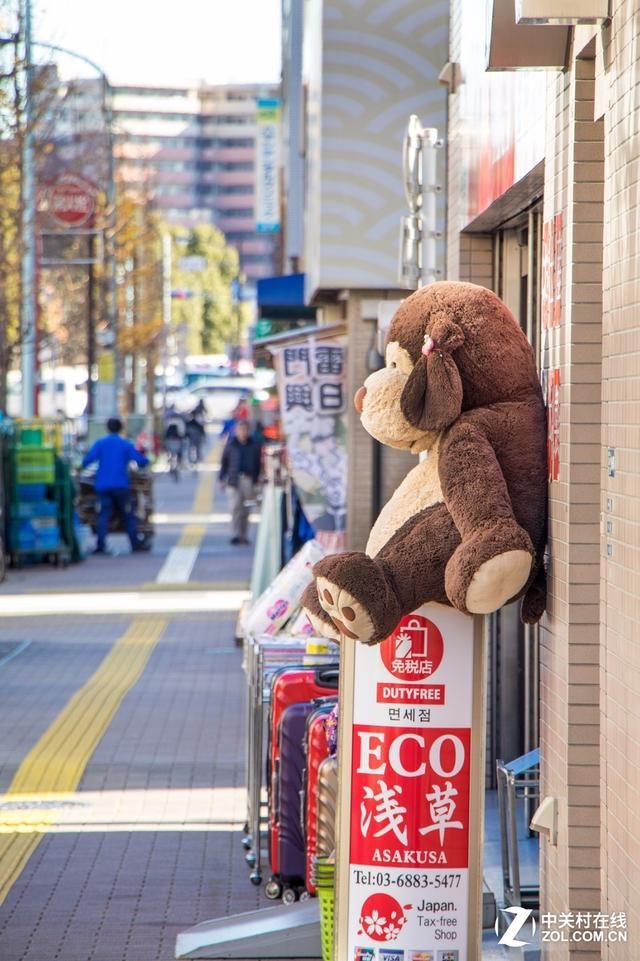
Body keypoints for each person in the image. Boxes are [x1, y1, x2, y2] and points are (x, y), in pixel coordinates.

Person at [81, 417, 149, 554]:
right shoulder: (125, 444)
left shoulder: (100, 443)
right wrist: (145, 457)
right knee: (128, 515)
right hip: (121, 486)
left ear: (107, 428)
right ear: (121, 428)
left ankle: (101, 546)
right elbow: (141, 461)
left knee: (103, 515)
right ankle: (135, 544)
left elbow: (86, 461)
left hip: (103, 486)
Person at [219, 419, 262, 545]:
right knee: (235, 507)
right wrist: (221, 479)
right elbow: (224, 462)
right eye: (240, 430)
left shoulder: (254, 445)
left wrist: (257, 480)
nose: (243, 433)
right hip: (233, 480)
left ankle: (244, 535)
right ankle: (236, 534)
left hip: (249, 480)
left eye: (245, 430)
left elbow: (258, 464)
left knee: (246, 509)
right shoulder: (231, 444)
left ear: (248, 431)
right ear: (236, 431)